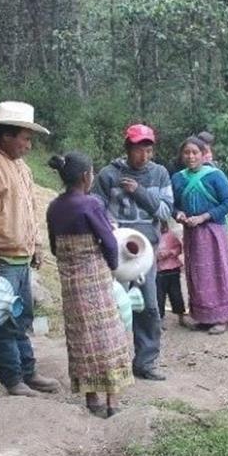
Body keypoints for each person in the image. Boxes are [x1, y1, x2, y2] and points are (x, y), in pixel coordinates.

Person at [0, 101, 60, 397]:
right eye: (26, 138)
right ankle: (12, 377)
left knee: (21, 319)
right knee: (4, 320)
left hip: (20, 258)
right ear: (6, 135)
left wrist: (36, 245)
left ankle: (28, 371)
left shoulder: (20, 166)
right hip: (0, 258)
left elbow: (29, 209)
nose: (29, 146)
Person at [46, 153, 135, 418]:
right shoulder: (90, 204)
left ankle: (91, 398)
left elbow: (54, 247)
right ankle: (112, 401)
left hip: (70, 284)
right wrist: (113, 266)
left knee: (81, 336)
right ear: (86, 176)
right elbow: (109, 242)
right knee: (107, 335)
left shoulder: (54, 207)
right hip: (95, 279)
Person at [92, 124, 172, 381]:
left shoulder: (159, 174)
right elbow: (95, 209)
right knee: (113, 306)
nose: (144, 156)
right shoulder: (108, 174)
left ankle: (145, 362)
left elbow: (165, 211)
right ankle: (111, 363)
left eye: (148, 150)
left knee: (148, 306)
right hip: (115, 252)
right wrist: (109, 227)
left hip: (146, 252)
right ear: (128, 149)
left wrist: (139, 192)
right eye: (139, 150)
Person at [171, 136, 228, 334]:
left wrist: (204, 217)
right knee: (197, 274)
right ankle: (202, 317)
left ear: (203, 155)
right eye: (187, 153)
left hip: (213, 232)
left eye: (195, 152)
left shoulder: (215, 176)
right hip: (192, 233)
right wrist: (178, 214)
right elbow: (172, 205)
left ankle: (222, 317)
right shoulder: (177, 178)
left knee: (217, 272)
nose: (191, 156)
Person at [155, 220, 190, 329]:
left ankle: (181, 317)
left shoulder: (171, 235)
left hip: (173, 270)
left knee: (176, 295)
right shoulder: (151, 237)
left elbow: (179, 248)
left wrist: (170, 253)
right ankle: (160, 320)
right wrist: (156, 256)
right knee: (159, 297)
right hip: (158, 272)